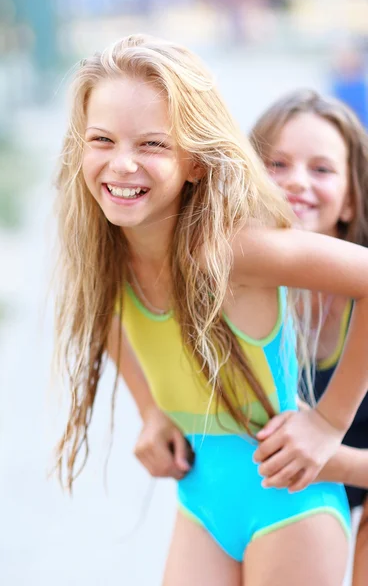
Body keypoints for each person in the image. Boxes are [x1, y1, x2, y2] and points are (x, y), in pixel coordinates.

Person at [53, 35, 368, 585]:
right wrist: (150, 409)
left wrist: (327, 423)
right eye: (102, 138)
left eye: (152, 144)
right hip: (201, 504)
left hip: (290, 509)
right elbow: (109, 315)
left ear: (196, 162)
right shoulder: (103, 249)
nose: (122, 164)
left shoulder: (231, 250)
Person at [250, 89, 368, 586]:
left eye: (321, 169)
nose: (297, 182)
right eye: (277, 163)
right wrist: (151, 414)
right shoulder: (235, 282)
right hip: (275, 499)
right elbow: (125, 280)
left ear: (350, 200)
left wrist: (329, 452)